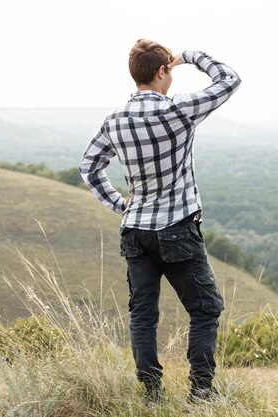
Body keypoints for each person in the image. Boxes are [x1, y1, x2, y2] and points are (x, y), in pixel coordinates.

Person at [79, 39, 241, 403]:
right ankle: (201, 393)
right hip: (178, 228)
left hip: (135, 231)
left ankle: (152, 394)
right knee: (204, 309)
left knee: (143, 314)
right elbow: (229, 80)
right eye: (169, 68)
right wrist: (190, 56)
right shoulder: (178, 110)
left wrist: (121, 204)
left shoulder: (115, 119)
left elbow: (89, 166)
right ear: (161, 71)